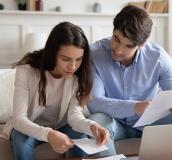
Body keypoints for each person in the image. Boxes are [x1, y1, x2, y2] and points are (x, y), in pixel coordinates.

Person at [88, 5, 172, 156]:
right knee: (95, 122)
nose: (118, 49)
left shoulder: (158, 57)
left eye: (128, 46)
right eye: (116, 39)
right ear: (113, 30)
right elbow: (95, 103)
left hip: (149, 123)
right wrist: (135, 107)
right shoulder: (94, 54)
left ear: (141, 44)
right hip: (112, 122)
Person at [7, 22, 109, 160]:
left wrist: (93, 126)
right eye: (65, 59)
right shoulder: (27, 71)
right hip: (29, 126)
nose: (73, 66)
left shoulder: (79, 75)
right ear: (52, 53)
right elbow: (19, 119)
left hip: (60, 127)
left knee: (81, 135)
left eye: (78, 59)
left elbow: (74, 116)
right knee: (21, 141)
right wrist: (49, 134)